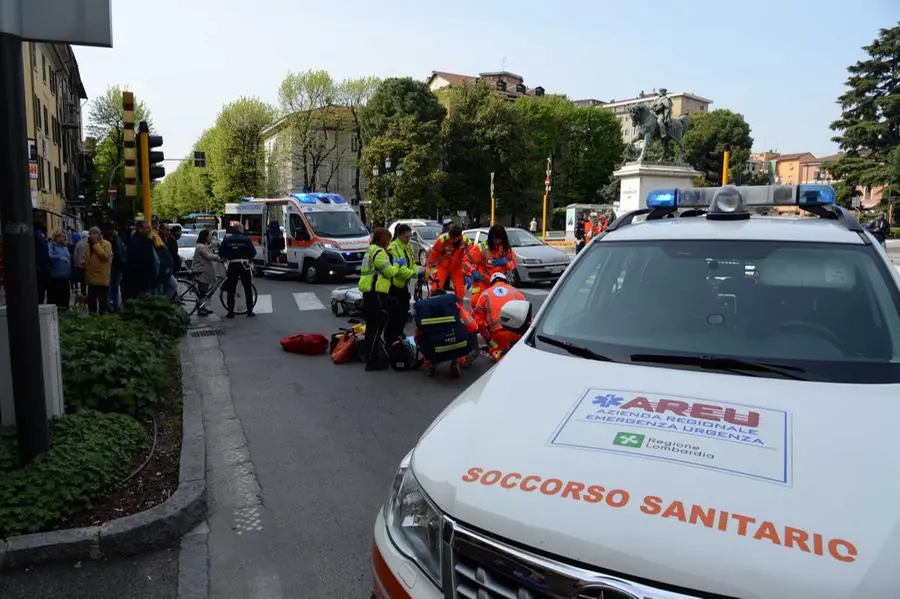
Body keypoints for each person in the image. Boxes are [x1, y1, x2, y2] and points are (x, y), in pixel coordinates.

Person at [358, 227, 399, 371]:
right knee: (377, 326)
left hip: (369, 291)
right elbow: (389, 271)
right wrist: (396, 266)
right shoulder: (379, 252)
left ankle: (370, 356)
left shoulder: (370, 250)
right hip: (376, 292)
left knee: (371, 326)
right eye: (388, 239)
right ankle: (372, 359)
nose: (389, 242)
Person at [472, 272, 527, 362]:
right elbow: (527, 311)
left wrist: (487, 337)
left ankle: (498, 353)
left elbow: (479, 322)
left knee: (493, 348)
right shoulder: (515, 291)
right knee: (514, 345)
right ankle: (514, 349)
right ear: (505, 281)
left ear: (492, 283)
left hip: (499, 334)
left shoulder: (485, 294)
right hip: (516, 332)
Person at [385, 224, 423, 344]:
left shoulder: (407, 247)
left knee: (404, 314)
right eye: (406, 237)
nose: (408, 239)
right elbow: (398, 270)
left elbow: (412, 263)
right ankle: (390, 339)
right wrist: (414, 274)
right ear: (399, 235)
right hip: (393, 287)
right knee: (394, 316)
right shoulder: (393, 248)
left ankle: (398, 335)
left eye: (410, 236)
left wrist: (419, 272)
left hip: (403, 286)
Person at [466, 224, 518, 309]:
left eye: (499, 239)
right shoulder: (481, 248)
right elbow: (466, 261)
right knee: (476, 303)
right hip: (482, 284)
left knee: (500, 307)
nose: (497, 241)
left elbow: (514, 263)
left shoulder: (506, 249)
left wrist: (505, 262)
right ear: (491, 237)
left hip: (499, 284)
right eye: (495, 239)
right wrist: (472, 271)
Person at [218, 223, 257, 318]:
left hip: (232, 265)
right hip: (244, 265)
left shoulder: (227, 239)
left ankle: (231, 312)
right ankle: (249, 312)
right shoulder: (246, 239)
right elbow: (253, 253)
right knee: (248, 288)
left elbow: (221, 253)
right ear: (240, 229)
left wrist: (228, 257)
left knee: (231, 289)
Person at [425, 224, 471, 301]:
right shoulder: (442, 240)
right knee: (436, 287)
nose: (451, 240)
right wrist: (427, 271)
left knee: (460, 290)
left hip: (457, 267)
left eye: (453, 239)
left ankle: (459, 309)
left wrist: (468, 274)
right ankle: (432, 305)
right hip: (442, 266)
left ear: (459, 237)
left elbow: (470, 258)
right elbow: (433, 255)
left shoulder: (466, 242)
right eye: (451, 237)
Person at [124, 220, 159, 300]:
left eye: (150, 227)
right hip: (141, 281)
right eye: (147, 228)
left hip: (148, 279)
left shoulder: (147, 240)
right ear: (140, 229)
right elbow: (137, 261)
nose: (149, 230)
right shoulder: (135, 242)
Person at [84, 226, 112, 315]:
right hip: (91, 278)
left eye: (94, 234)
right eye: (91, 234)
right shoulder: (87, 245)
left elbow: (106, 256)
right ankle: (92, 316)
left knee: (102, 301)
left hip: (101, 278)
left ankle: (102, 317)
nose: (92, 236)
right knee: (91, 300)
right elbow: (88, 260)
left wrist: (96, 245)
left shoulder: (106, 244)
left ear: (99, 235)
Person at [191, 229, 217, 316]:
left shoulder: (204, 246)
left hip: (204, 272)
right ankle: (201, 309)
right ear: (205, 237)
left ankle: (203, 307)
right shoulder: (201, 247)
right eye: (210, 236)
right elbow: (209, 256)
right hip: (201, 272)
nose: (211, 237)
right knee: (202, 292)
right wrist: (218, 256)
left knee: (204, 291)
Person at [104, 222, 126, 311]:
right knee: (113, 286)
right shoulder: (114, 239)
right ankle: (112, 305)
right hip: (113, 265)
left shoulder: (109, 239)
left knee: (113, 286)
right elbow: (119, 251)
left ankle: (112, 305)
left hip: (113, 265)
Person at [47, 230, 72, 310]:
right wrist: (59, 257)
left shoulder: (65, 247)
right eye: (59, 236)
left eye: (64, 237)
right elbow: (49, 256)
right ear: (55, 237)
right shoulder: (52, 245)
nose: (62, 238)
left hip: (65, 278)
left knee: (65, 300)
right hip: (55, 278)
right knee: (55, 300)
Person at [157, 224, 176, 299]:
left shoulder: (167, 239)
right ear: (161, 230)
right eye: (167, 230)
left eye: (169, 230)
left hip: (167, 269)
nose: (169, 232)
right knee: (172, 286)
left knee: (171, 286)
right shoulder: (158, 239)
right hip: (163, 269)